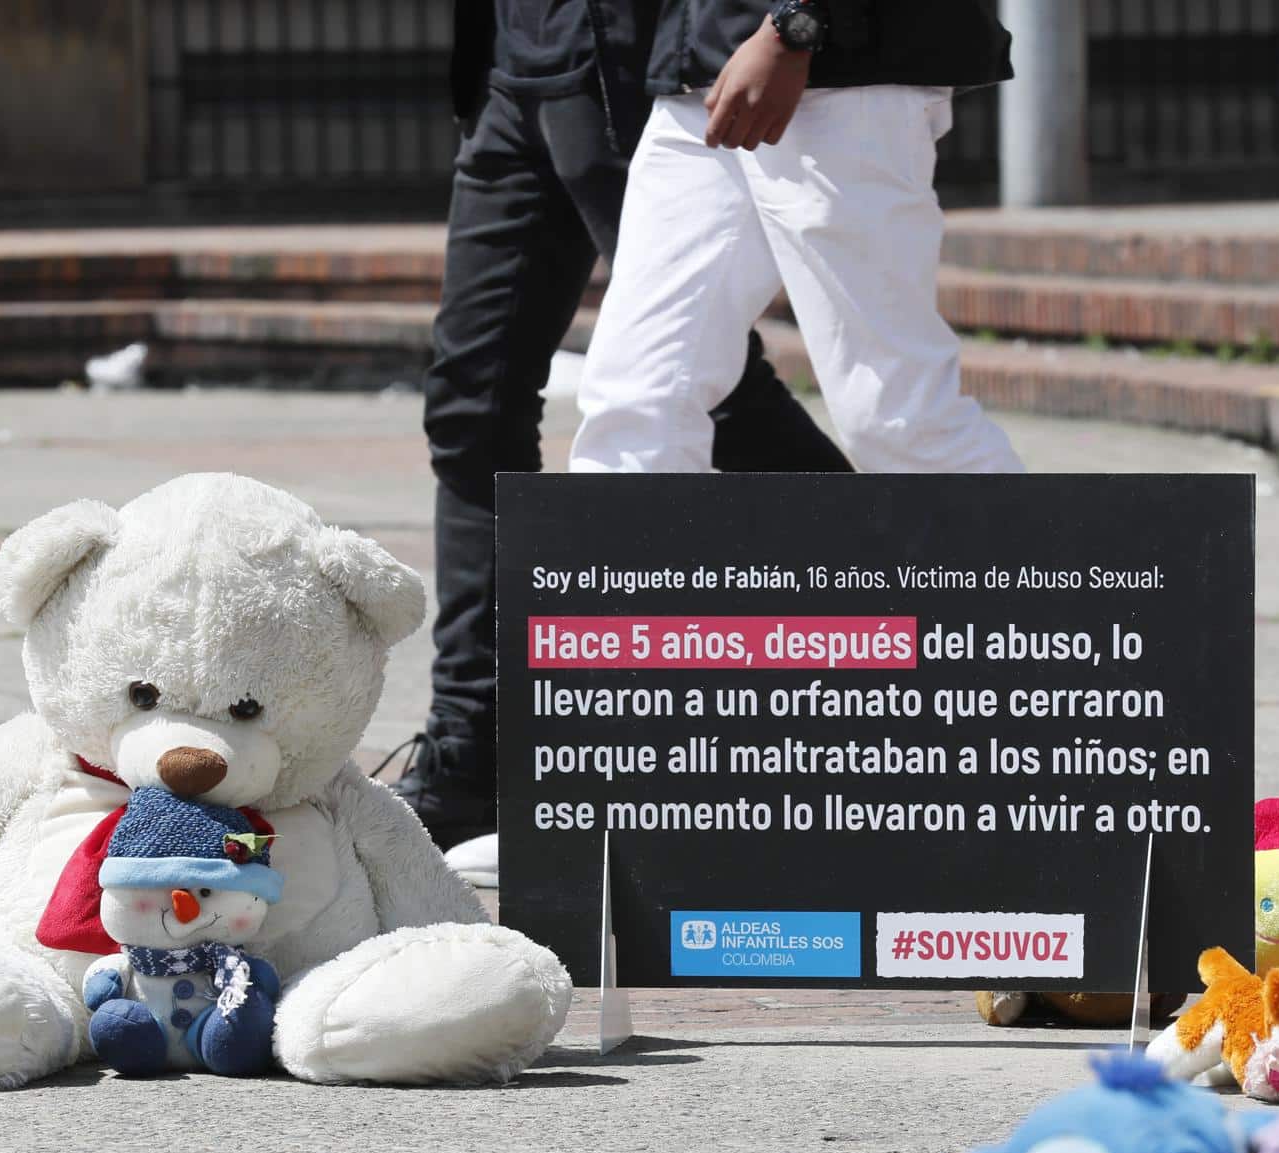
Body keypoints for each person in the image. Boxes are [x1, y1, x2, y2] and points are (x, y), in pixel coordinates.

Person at [392, 0, 854, 860]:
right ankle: (472, 747)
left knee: (703, 382)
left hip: (621, 53)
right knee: (470, 406)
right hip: (508, 58)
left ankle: (897, 613)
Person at [569, 0, 1024, 475]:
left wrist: (796, 24)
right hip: (700, 72)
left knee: (894, 417)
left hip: (835, 71)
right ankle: (623, 550)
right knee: (636, 397)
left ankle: (1036, 548)